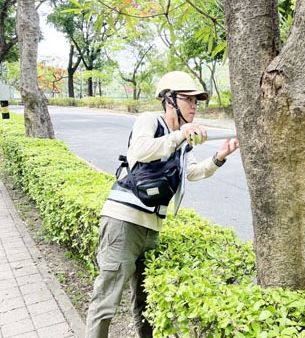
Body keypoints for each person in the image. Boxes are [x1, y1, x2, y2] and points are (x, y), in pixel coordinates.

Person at [85, 71, 239, 338]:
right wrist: (180, 135)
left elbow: (192, 173)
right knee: (106, 301)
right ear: (169, 99)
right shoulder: (150, 121)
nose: (194, 106)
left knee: (145, 305)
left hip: (151, 229)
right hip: (124, 223)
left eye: (197, 101)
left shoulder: (180, 139)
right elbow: (140, 151)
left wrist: (219, 156)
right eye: (188, 99)